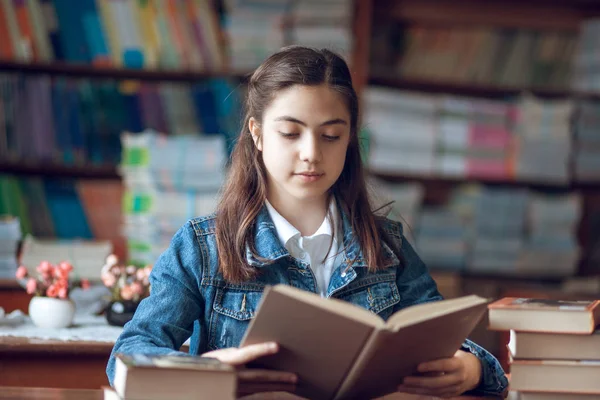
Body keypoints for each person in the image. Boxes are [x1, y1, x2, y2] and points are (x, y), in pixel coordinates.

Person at [107, 46, 508, 398]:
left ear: (350, 139)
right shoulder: (202, 246)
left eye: (331, 136)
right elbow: (129, 355)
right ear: (258, 134)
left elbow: (444, 337)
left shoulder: (386, 244)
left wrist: (471, 369)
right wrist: (211, 368)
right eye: (290, 133)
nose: (311, 153)